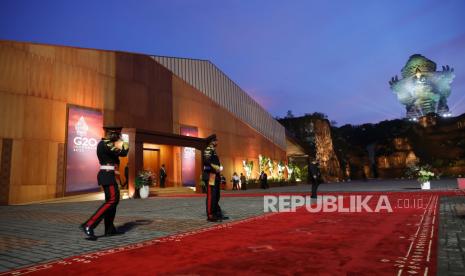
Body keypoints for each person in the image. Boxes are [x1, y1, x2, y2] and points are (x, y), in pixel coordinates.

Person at [80, 126, 129, 240]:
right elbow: (123, 153)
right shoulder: (105, 143)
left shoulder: (106, 144)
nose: (118, 137)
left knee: (112, 202)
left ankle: (109, 229)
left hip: (109, 175)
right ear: (110, 134)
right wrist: (125, 143)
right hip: (107, 175)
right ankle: (89, 224)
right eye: (117, 134)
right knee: (112, 200)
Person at [202, 134, 228, 222]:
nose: (217, 142)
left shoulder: (213, 150)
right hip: (210, 175)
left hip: (214, 175)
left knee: (216, 195)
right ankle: (210, 214)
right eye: (215, 140)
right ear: (212, 141)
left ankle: (217, 213)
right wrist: (217, 168)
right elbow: (206, 162)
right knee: (211, 195)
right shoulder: (208, 149)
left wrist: (219, 168)